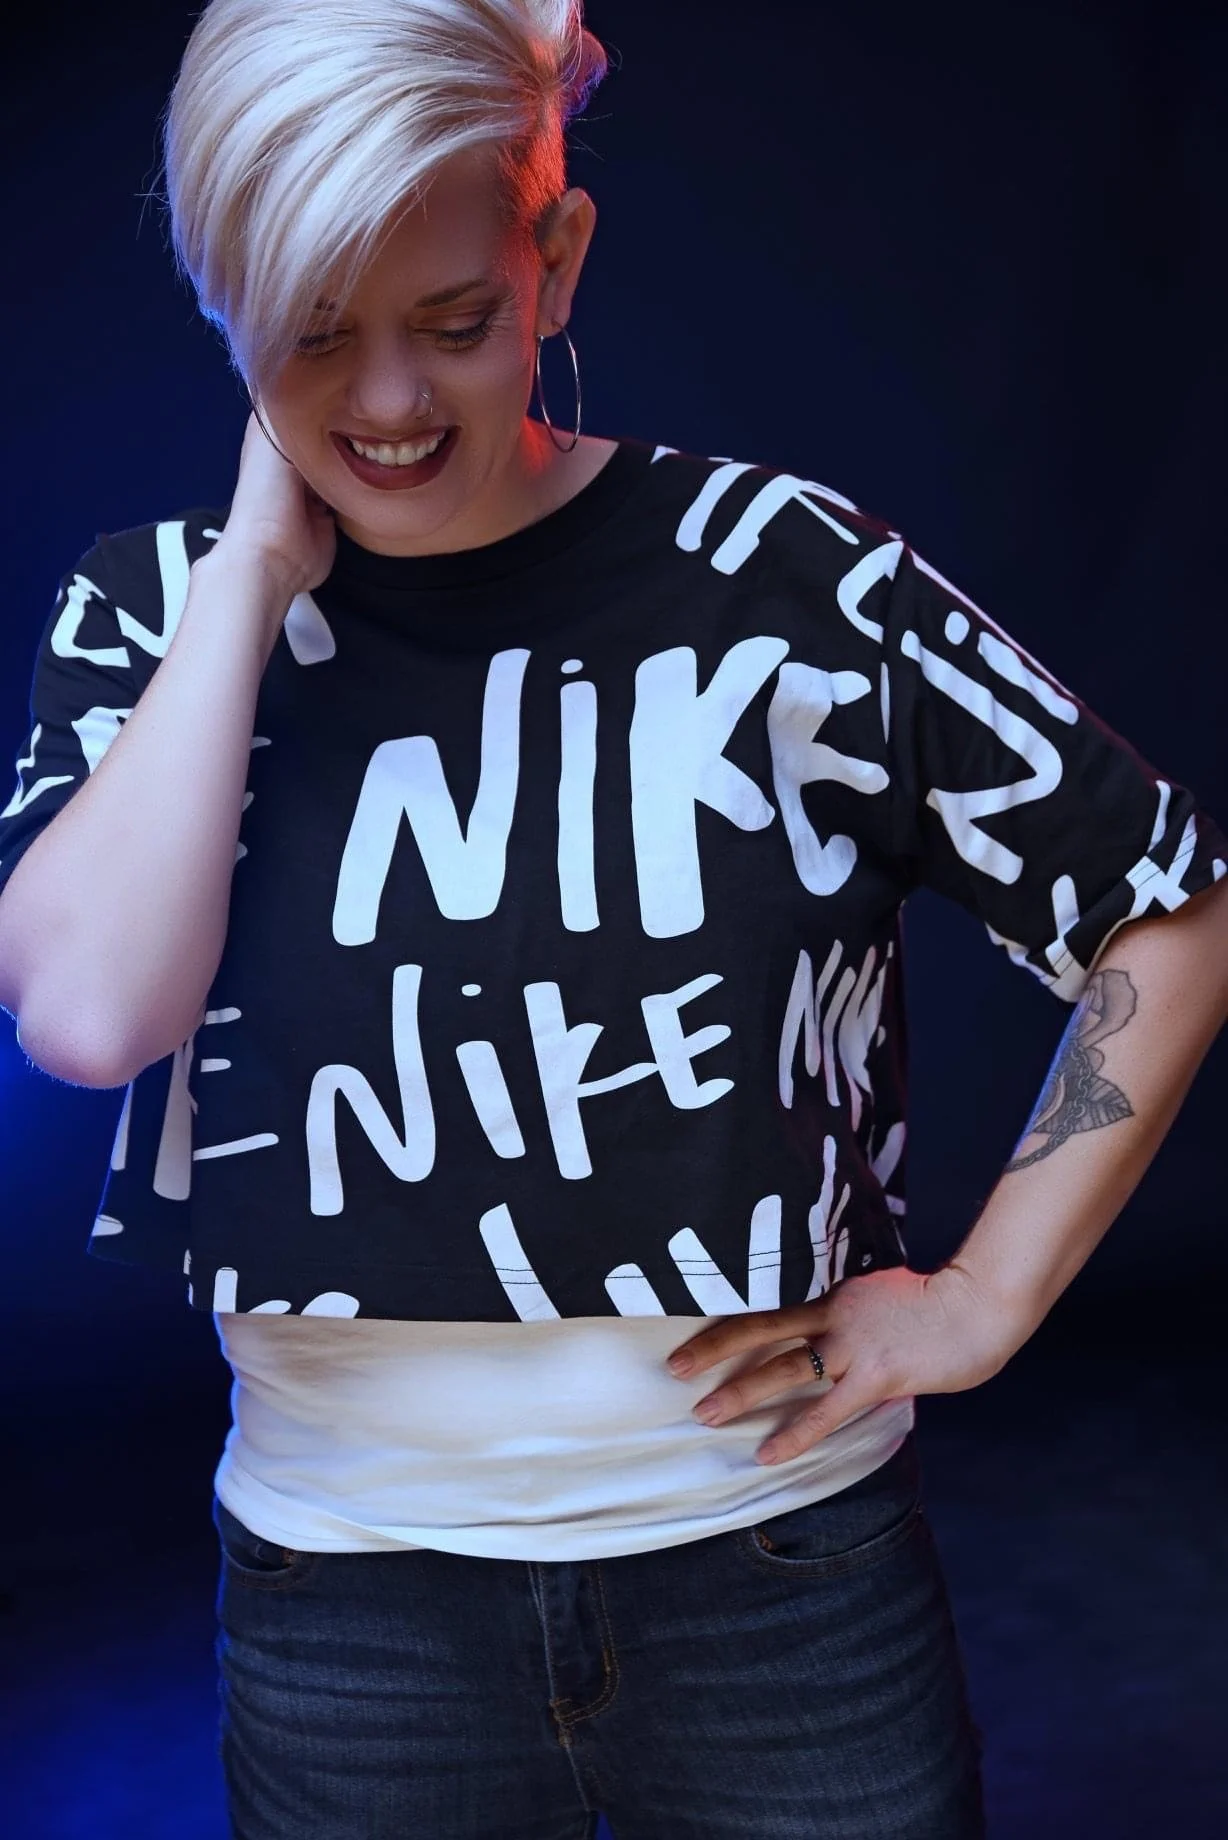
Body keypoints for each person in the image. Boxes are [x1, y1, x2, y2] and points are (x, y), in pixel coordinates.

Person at [1, 1, 1226, 1834]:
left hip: (781, 1591)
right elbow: (91, 1020)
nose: (391, 403)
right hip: (351, 1619)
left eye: (455, 322)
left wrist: (984, 1299)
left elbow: (1164, 907)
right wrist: (250, 578)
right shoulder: (152, 616)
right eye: (315, 328)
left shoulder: (784, 580)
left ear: (555, 259)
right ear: (225, 301)